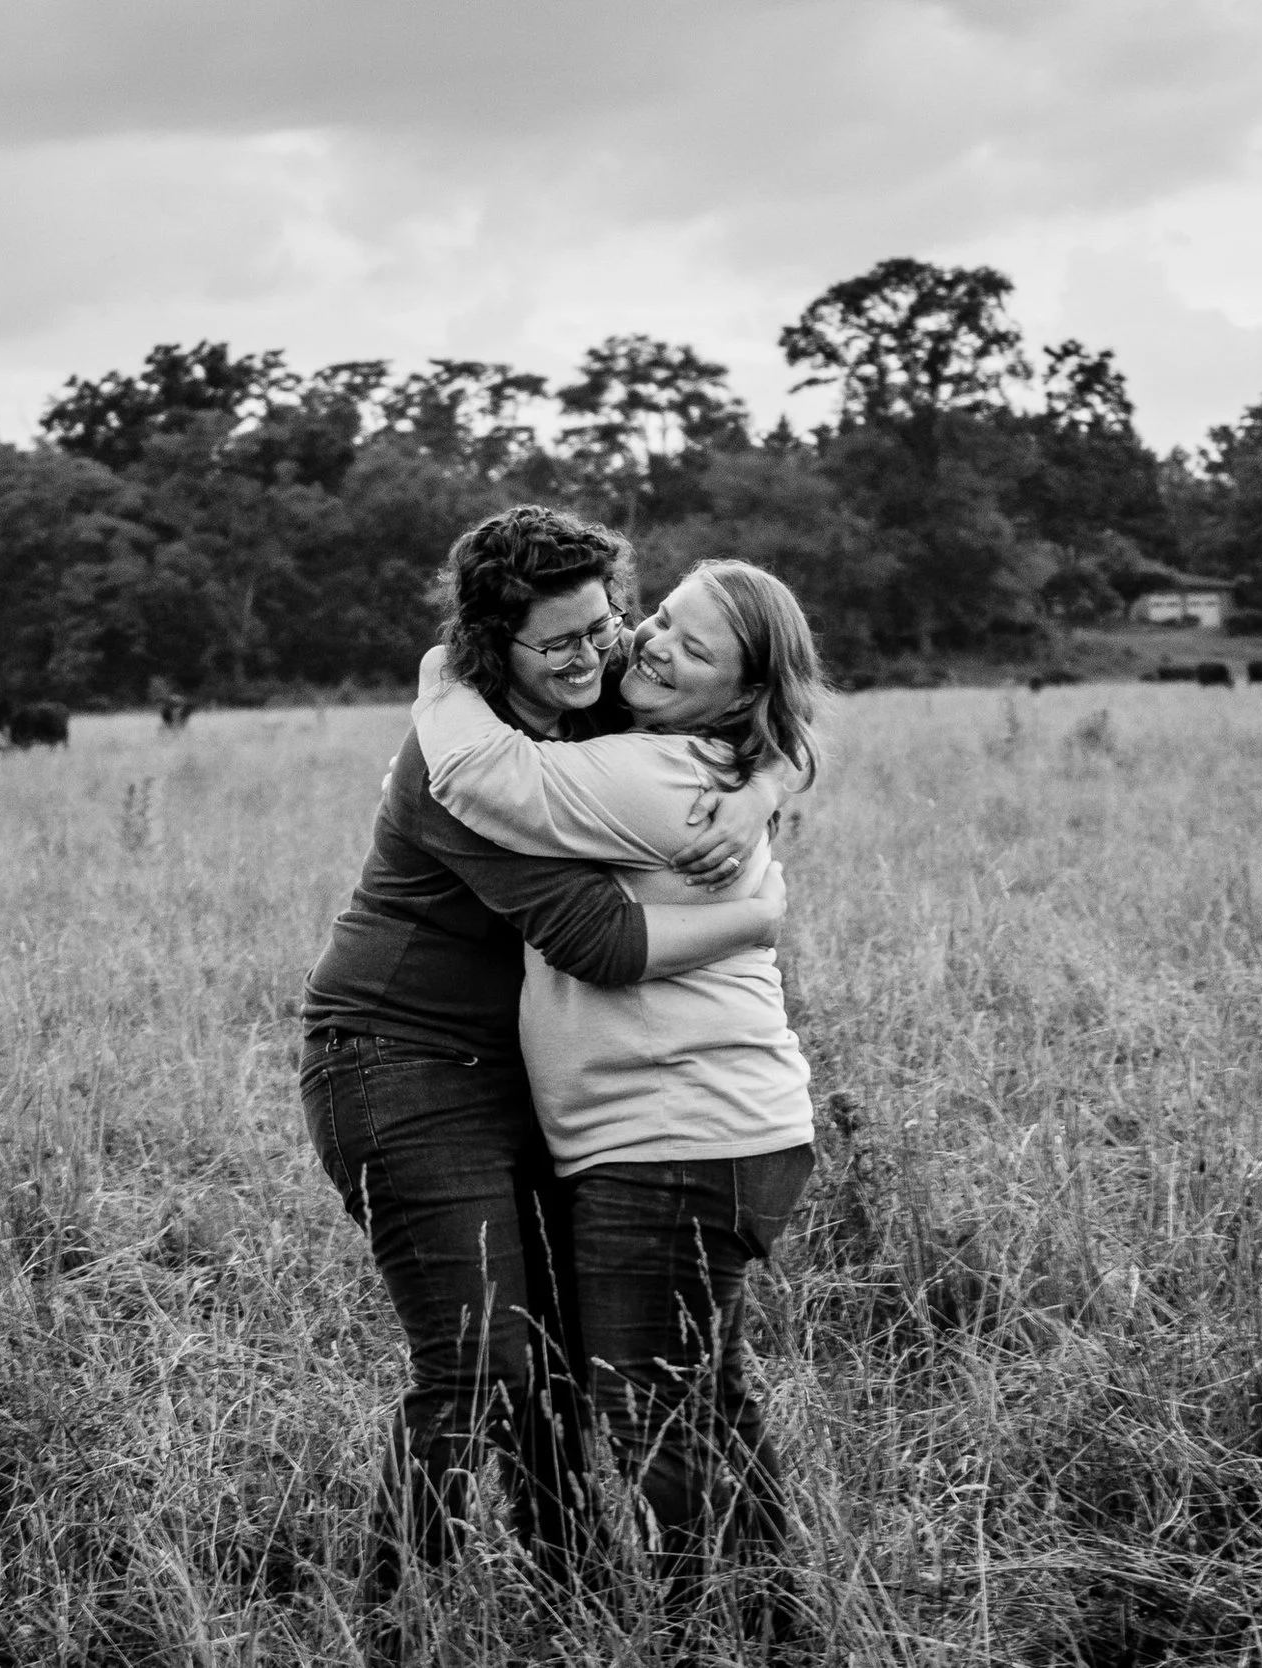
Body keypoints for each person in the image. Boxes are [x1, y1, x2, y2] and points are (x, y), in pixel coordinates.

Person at [299, 509, 788, 1660]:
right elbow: (592, 935)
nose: (595, 657)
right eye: (558, 642)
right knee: (479, 1361)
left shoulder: (603, 694)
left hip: (527, 1077)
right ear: (489, 646)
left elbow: (747, 728)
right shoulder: (456, 764)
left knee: (563, 1358)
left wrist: (761, 794)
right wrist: (760, 914)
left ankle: (575, 1594)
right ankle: (383, 1616)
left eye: (604, 626)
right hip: (397, 1059)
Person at [409, 557, 826, 1644]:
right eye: (661, 621)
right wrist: (774, 779)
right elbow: (787, 739)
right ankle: (769, 1626)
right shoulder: (706, 756)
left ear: (739, 694)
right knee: (694, 1403)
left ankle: (717, 1633)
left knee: (656, 1416)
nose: (651, 646)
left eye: (694, 650)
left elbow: (474, 774)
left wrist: (442, 662)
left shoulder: (650, 778)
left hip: (678, 1134)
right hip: (706, 1128)